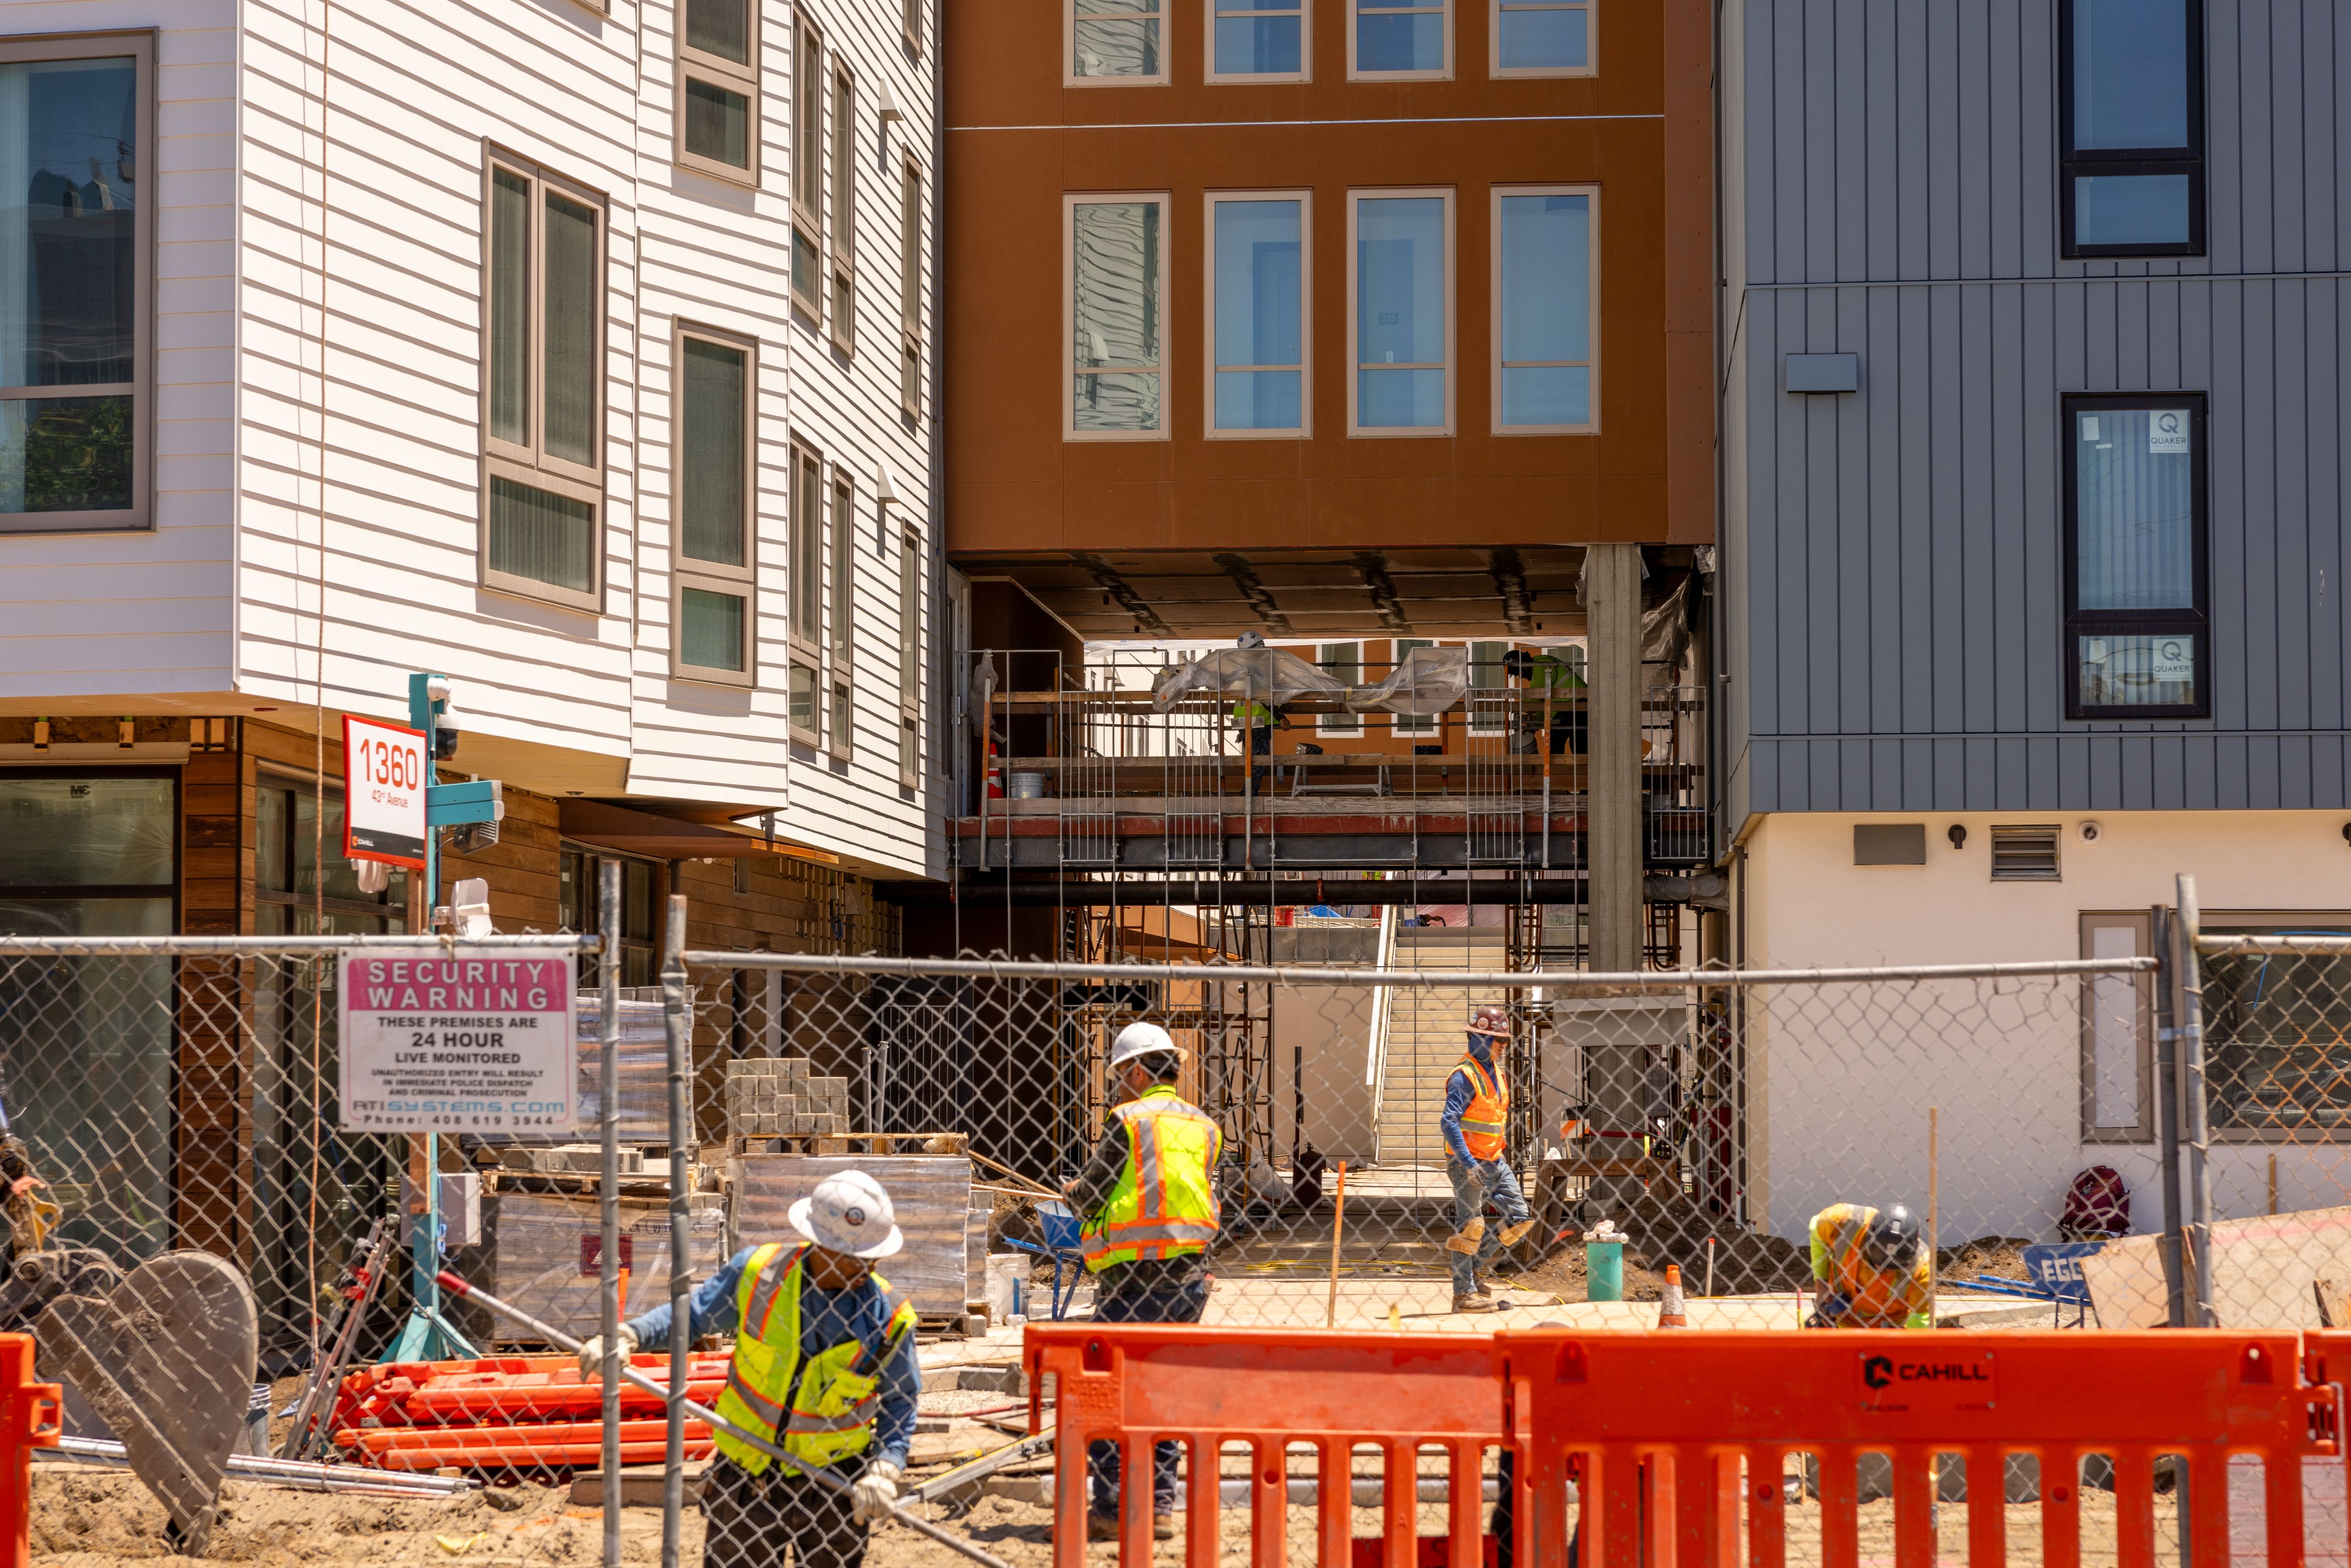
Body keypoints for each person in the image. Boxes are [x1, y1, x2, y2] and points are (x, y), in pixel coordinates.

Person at [580, 1170, 920, 1568]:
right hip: (747, 1474)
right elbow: (695, 1314)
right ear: (820, 1245)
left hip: (835, 1483)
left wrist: (886, 1466)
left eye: (872, 1257)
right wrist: (631, 1335)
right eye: (855, 1259)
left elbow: (901, 1398)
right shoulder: (760, 1274)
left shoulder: (890, 1317)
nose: (867, 1267)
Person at [1065, 1021, 1223, 1541]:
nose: (1116, 1086)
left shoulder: (1127, 1120)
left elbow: (1091, 1193)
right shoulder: (1203, 1124)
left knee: (1108, 1393)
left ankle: (1111, 1507)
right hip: (1188, 1282)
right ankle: (1159, 1507)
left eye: (1118, 1075)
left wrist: (1072, 1190)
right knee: (1162, 1395)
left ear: (1136, 1070)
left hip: (1132, 1283)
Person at [1440, 1005, 1534, 1313]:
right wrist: (1468, 1163)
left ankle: (1476, 1268)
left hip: (1494, 1159)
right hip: (1467, 1163)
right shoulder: (1463, 1078)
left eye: (1504, 1040)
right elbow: (1448, 1122)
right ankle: (1463, 1293)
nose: (1503, 1045)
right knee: (1471, 1226)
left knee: (1520, 1218)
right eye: (1497, 1039)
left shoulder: (1495, 1071)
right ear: (1479, 1038)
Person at [1806, 1201, 1932, 1328]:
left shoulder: (1921, 1268)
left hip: (1886, 1331)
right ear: (1870, 1242)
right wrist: (1821, 1283)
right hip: (1840, 1318)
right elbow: (1816, 1230)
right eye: (1881, 1264)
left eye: (1894, 1267)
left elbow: (1921, 1320)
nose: (1887, 1271)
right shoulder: (1845, 1221)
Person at [1503, 647, 1588, 757]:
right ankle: (1563, 770)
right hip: (1572, 706)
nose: (1522, 677)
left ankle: (1559, 770)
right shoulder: (1539, 669)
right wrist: (1533, 726)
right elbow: (1543, 704)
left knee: (1560, 741)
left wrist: (1517, 707)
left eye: (1519, 673)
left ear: (1523, 665)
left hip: (1576, 705)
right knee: (1575, 744)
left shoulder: (1540, 666)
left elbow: (1536, 695)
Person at [1232, 632, 1289, 794]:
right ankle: (1248, 796)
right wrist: (1281, 716)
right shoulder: (1255, 670)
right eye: (1259, 645)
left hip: (1249, 722)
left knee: (1254, 761)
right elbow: (1263, 697)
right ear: (1252, 649)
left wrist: (1242, 729)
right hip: (1257, 722)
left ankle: (1248, 794)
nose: (1263, 647)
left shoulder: (1242, 668)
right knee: (1258, 762)